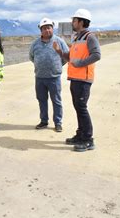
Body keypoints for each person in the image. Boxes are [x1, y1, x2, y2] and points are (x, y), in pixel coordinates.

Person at [53, 9, 101, 152]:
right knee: (78, 108)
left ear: (81, 21)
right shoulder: (77, 38)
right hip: (75, 78)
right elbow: (70, 58)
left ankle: (88, 139)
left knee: (81, 108)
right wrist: (60, 52)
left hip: (84, 79)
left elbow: (97, 55)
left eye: (74, 20)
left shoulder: (89, 37)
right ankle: (80, 135)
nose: (72, 22)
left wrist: (80, 63)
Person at [29, 18, 69, 132]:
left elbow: (66, 56)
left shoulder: (59, 41)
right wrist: (40, 65)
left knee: (56, 100)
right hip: (40, 78)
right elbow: (31, 57)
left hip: (54, 78)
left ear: (52, 28)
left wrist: (57, 66)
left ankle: (58, 122)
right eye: (44, 28)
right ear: (40, 30)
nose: (47, 30)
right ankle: (44, 121)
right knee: (42, 100)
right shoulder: (35, 44)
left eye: (49, 27)